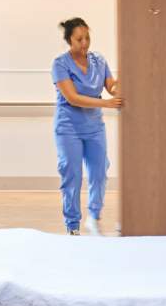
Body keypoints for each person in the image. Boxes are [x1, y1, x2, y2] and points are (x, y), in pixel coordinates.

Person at [51, 17, 121, 235]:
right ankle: (72, 227)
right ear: (69, 40)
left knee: (99, 174)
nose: (84, 43)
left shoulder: (99, 60)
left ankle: (94, 217)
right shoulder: (60, 64)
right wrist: (107, 103)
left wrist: (119, 89)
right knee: (72, 176)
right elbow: (73, 98)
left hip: (94, 127)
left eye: (87, 37)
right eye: (79, 39)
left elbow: (111, 85)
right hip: (68, 127)